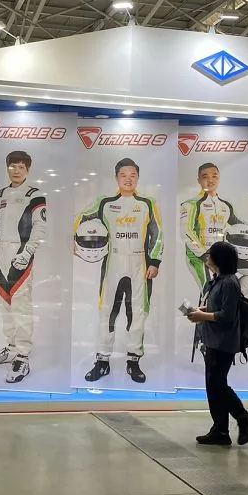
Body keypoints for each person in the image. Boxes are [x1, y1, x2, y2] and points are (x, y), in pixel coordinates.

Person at [74, 158, 163, 384]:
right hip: (112, 263)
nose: (128, 179)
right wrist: (77, 241)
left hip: (140, 265)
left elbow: (158, 233)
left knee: (138, 314)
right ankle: (102, 361)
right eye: (124, 175)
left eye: (133, 175)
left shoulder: (148, 203)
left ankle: (133, 361)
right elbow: (81, 218)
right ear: (116, 178)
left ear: (138, 178)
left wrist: (155, 261)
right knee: (107, 313)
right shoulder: (104, 202)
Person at [0, 151, 47, 384]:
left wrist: (27, 252)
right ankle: (11, 346)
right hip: (1, 252)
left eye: (21, 167)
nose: (16, 171)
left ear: (28, 170)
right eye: (12, 166)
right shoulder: (2, 193)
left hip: (21, 251)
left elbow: (40, 227)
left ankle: (23, 357)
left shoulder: (35, 195)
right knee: (5, 302)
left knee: (21, 304)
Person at [186, 241, 248, 446]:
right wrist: (202, 311)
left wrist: (202, 316)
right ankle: (221, 429)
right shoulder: (218, 280)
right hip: (213, 340)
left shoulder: (229, 283)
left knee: (217, 385)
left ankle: (243, 417)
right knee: (214, 386)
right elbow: (218, 307)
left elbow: (227, 315)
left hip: (223, 343)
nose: (207, 257)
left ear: (219, 259)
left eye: (210, 254)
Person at [180, 162, 248, 292]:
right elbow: (186, 231)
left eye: (214, 176)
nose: (210, 180)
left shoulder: (225, 205)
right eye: (205, 176)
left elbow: (239, 222)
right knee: (210, 292)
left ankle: (234, 295)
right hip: (199, 257)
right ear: (199, 180)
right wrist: (205, 255)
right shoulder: (191, 204)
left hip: (222, 256)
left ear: (219, 178)